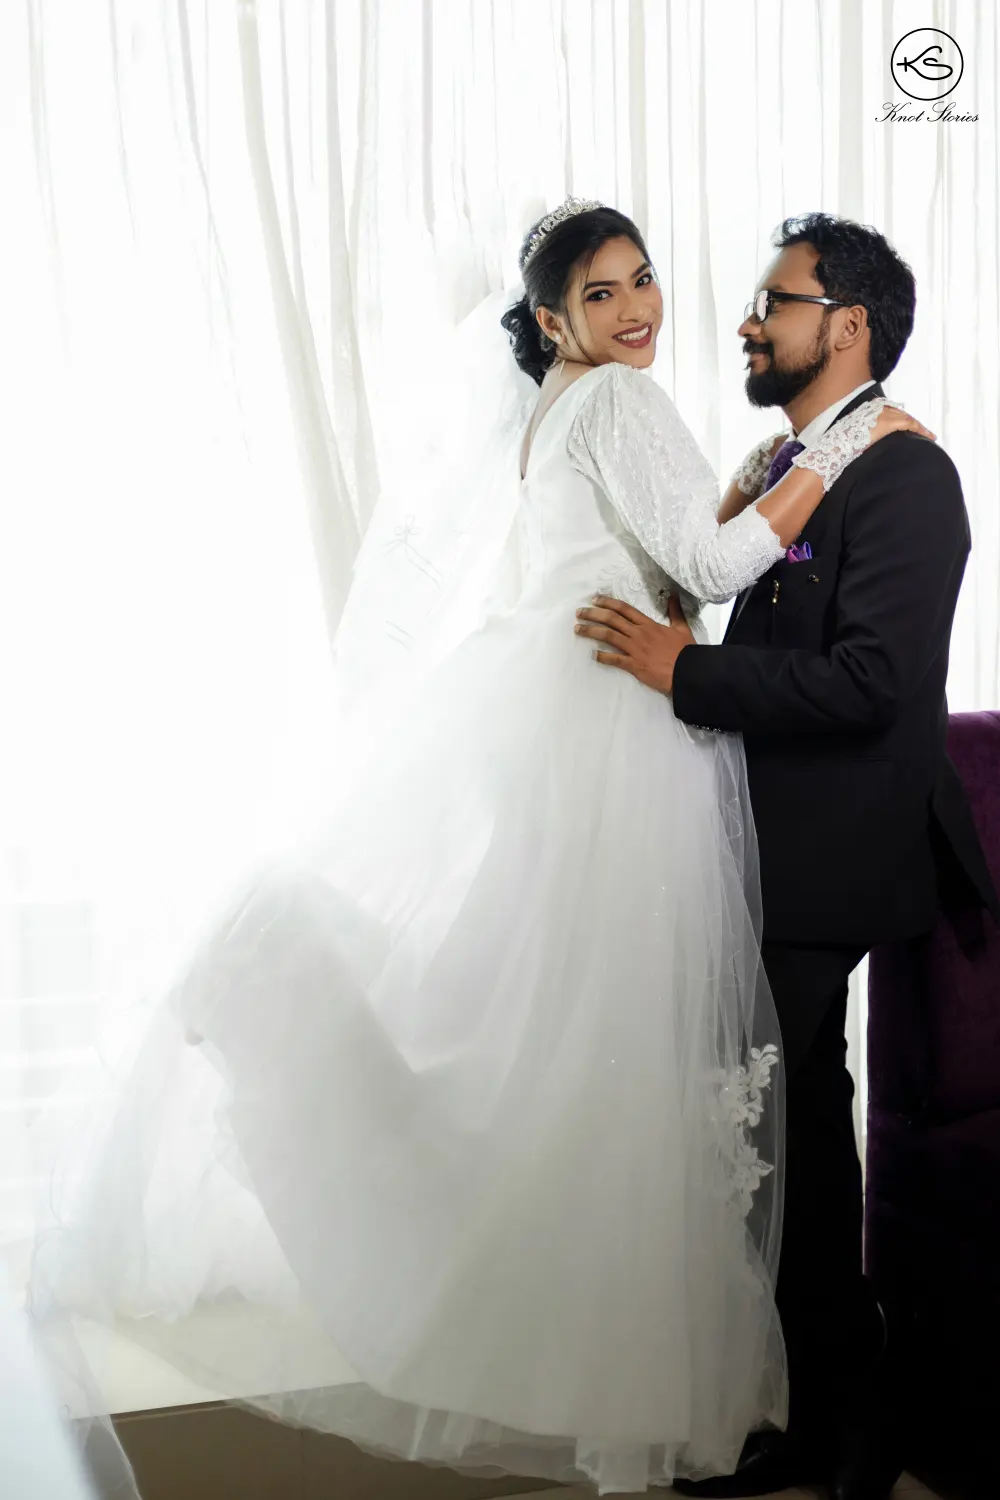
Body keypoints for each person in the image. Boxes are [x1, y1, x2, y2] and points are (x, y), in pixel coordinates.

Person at [31, 201, 929, 1499]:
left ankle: (704, 1380)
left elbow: (669, 559)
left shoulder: (556, 409)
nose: (640, 309)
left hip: (575, 736)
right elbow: (710, 560)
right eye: (602, 293)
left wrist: (747, 478)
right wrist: (838, 449)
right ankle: (696, 1387)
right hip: (628, 747)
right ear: (553, 317)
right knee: (628, 1069)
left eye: (644, 279)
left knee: (591, 1061)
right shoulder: (618, 398)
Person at [576, 211, 1000, 1500]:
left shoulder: (908, 473)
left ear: (848, 325)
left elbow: (873, 683)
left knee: (783, 1132)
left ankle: (850, 1427)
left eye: (776, 303)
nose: (748, 323)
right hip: (764, 842)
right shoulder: (792, 459)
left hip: (839, 850)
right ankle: (814, 1416)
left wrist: (684, 671)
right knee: (775, 1129)